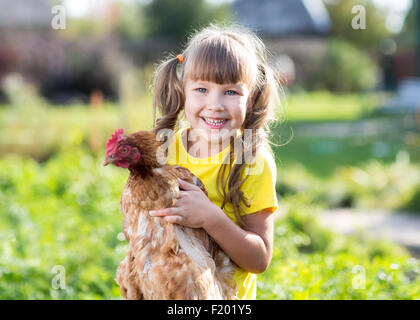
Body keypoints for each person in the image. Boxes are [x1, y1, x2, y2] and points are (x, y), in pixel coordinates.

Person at [149, 23, 282, 300]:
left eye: (231, 92)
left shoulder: (251, 161)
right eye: (201, 89)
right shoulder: (166, 150)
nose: (215, 104)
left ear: (251, 96)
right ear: (182, 90)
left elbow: (259, 260)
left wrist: (211, 217)